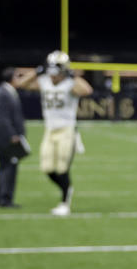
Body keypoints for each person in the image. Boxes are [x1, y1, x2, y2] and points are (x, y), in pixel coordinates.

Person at [15, 51, 93, 216]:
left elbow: (87, 90)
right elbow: (21, 83)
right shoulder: (44, 81)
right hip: (50, 130)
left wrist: (71, 74)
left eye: (56, 72)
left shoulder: (71, 83)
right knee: (47, 168)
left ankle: (65, 202)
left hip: (66, 130)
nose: (53, 76)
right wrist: (37, 71)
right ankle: (67, 188)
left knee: (62, 167)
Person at [0, 67, 27, 208]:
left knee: (5, 166)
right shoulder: (4, 93)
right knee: (10, 167)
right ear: (11, 78)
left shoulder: (3, 91)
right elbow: (1, 118)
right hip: (6, 138)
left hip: (3, 136)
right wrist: (12, 135)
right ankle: (5, 198)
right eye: (18, 77)